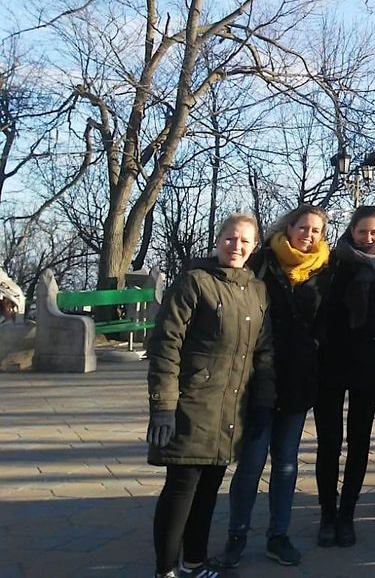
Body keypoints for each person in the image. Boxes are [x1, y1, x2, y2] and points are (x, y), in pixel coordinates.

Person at [147, 214, 274, 578]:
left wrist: (262, 402)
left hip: (232, 408)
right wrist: (163, 407)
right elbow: (166, 344)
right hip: (192, 404)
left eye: (245, 241)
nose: (237, 247)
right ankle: (166, 569)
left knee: (209, 491)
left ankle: (195, 561)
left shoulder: (257, 290)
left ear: (254, 247)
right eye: (230, 239)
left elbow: (264, 351)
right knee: (182, 489)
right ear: (218, 240)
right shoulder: (193, 282)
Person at [218, 205, 333, 568]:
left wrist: (316, 350)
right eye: (303, 227)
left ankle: (277, 535)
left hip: (299, 379)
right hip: (258, 376)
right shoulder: (263, 262)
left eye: (316, 231)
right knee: (251, 463)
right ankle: (237, 534)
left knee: (286, 462)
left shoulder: (325, 271)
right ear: (290, 227)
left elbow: (328, 321)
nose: (308, 235)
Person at [314, 205, 375, 548]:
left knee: (359, 443)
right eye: (362, 231)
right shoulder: (332, 263)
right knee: (328, 443)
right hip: (331, 362)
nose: (368, 238)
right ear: (351, 230)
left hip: (369, 363)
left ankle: (347, 513)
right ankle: (327, 512)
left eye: (374, 232)